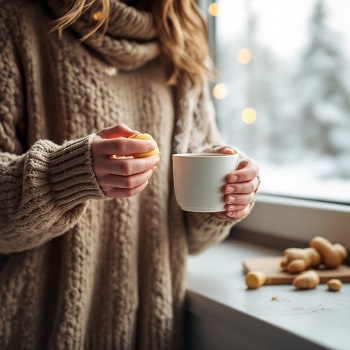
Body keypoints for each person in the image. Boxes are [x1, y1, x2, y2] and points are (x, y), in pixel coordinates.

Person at [0, 0, 260, 348]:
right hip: (37, 330)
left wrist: (228, 195)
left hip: (153, 330)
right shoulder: (16, 19)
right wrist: (64, 174)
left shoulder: (180, 36)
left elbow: (194, 238)